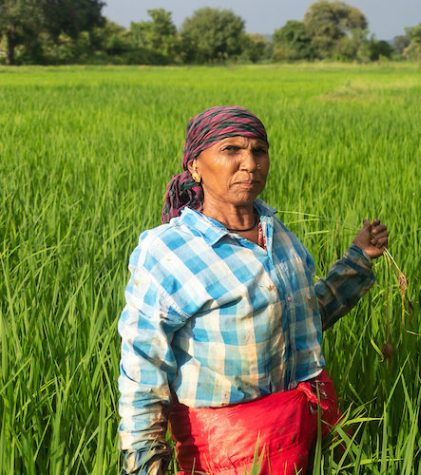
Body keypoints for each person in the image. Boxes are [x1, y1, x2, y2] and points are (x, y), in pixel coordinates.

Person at [117, 105, 389, 474]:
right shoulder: (167, 253)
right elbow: (143, 371)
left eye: (259, 151)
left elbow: (301, 320)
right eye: (231, 150)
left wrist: (358, 261)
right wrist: (145, 463)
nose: (250, 163)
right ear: (195, 166)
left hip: (306, 428)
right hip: (231, 450)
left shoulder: (279, 236)